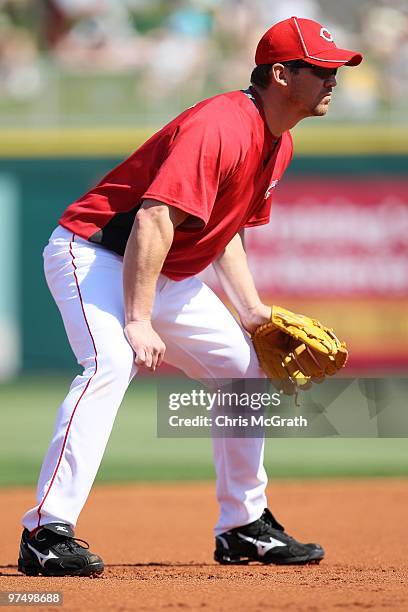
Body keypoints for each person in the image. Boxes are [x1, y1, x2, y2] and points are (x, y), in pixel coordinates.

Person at [18, 16, 362, 577]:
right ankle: (46, 532)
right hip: (95, 255)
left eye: (336, 69)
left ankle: (244, 526)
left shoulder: (279, 144)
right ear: (280, 74)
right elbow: (155, 218)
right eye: (321, 69)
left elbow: (223, 231)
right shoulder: (220, 125)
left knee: (241, 371)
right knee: (111, 362)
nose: (333, 79)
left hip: (163, 272)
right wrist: (137, 319)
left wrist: (250, 311)